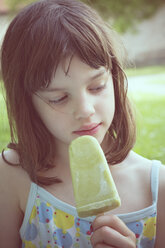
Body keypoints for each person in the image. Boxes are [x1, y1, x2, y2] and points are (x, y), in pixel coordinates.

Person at [0, 0, 164, 247]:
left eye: (97, 86)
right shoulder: (12, 176)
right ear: (28, 104)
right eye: (59, 98)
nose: (86, 111)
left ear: (115, 79)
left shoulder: (157, 188)